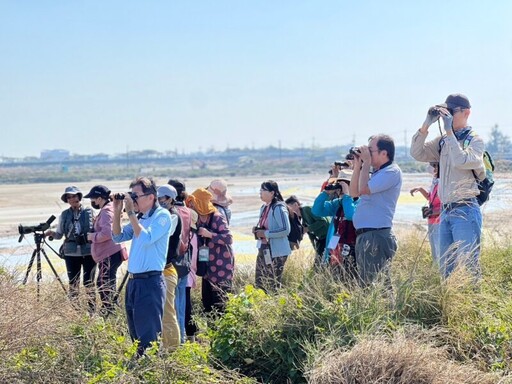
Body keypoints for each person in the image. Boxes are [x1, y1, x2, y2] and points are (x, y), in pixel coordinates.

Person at [410, 94, 485, 279]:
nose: (447, 115)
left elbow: (461, 161)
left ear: (466, 113)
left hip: (466, 208)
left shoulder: (474, 140)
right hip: (445, 210)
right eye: (446, 111)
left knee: (469, 267)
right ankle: (450, 304)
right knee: (446, 267)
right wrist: (427, 123)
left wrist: (449, 132)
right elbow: (417, 153)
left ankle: (473, 303)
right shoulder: (442, 141)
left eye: (452, 111)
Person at [112, 177, 172, 356]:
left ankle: (151, 370)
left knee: (149, 337)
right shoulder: (140, 217)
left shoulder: (162, 216)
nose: (133, 200)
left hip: (150, 282)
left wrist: (130, 213)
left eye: (135, 195)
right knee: (136, 335)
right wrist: (117, 212)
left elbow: (146, 239)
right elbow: (117, 237)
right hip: (133, 282)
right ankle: (141, 370)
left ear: (151, 197)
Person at [349, 134, 402, 285]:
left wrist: (365, 164)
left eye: (370, 150)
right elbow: (354, 193)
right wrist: (358, 166)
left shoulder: (391, 172)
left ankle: (387, 309)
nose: (367, 153)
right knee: (368, 284)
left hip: (376, 235)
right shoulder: (377, 173)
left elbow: (363, 188)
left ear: (384, 153)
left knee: (377, 285)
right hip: (366, 235)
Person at [45, 186, 96, 310]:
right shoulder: (64, 215)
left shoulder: (89, 212)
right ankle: (76, 311)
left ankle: (92, 311)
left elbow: (94, 230)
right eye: (69, 197)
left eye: (74, 196)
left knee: (89, 283)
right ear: (67, 200)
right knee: (73, 283)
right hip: (71, 253)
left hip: (88, 251)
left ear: (79, 197)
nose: (72, 199)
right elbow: (59, 234)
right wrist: (50, 233)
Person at [187, 188, 234, 314]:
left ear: (200, 203)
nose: (190, 205)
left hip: (221, 267)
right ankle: (212, 331)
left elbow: (229, 238)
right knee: (207, 303)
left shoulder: (217, 217)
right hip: (207, 268)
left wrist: (210, 234)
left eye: (193, 203)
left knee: (221, 303)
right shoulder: (197, 219)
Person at [84, 185, 127, 316]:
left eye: (92, 198)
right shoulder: (109, 208)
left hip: (110, 253)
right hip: (111, 253)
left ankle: (110, 313)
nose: (92, 202)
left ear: (98, 198)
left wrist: (92, 237)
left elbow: (108, 232)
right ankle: (111, 311)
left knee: (104, 284)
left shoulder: (107, 210)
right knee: (106, 283)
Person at [312, 171, 358, 279]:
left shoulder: (360, 203)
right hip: (336, 246)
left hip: (352, 250)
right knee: (334, 278)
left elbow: (351, 215)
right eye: (340, 185)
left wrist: (347, 196)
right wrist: (325, 193)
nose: (341, 189)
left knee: (349, 279)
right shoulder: (338, 203)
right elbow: (316, 210)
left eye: (345, 184)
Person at [168, 178, 197, 342]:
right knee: (182, 302)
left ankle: (176, 341)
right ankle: (183, 339)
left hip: (171, 262)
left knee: (170, 305)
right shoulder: (189, 212)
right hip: (185, 262)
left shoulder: (170, 213)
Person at [253, 180, 291, 292]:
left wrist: (265, 233)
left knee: (272, 282)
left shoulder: (278, 208)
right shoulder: (264, 207)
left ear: (272, 193)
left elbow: (285, 230)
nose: (260, 192)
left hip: (277, 251)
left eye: (263, 190)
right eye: (260, 190)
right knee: (260, 281)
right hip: (264, 248)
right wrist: (257, 230)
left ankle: (273, 305)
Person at [157, 184, 181, 349]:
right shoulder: (163, 215)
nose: (159, 202)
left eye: (162, 199)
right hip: (160, 270)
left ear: (171, 199)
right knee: (161, 313)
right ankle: (164, 346)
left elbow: (165, 233)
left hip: (167, 270)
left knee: (168, 313)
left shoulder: (172, 216)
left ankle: (172, 349)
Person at [409, 162, 441, 264]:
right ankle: (437, 275)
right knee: (435, 252)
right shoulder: (435, 183)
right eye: (433, 166)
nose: (434, 169)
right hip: (432, 220)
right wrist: (420, 189)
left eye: (436, 166)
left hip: (439, 221)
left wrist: (433, 211)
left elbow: (447, 207)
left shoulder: (443, 184)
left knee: (440, 252)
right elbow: (430, 198)